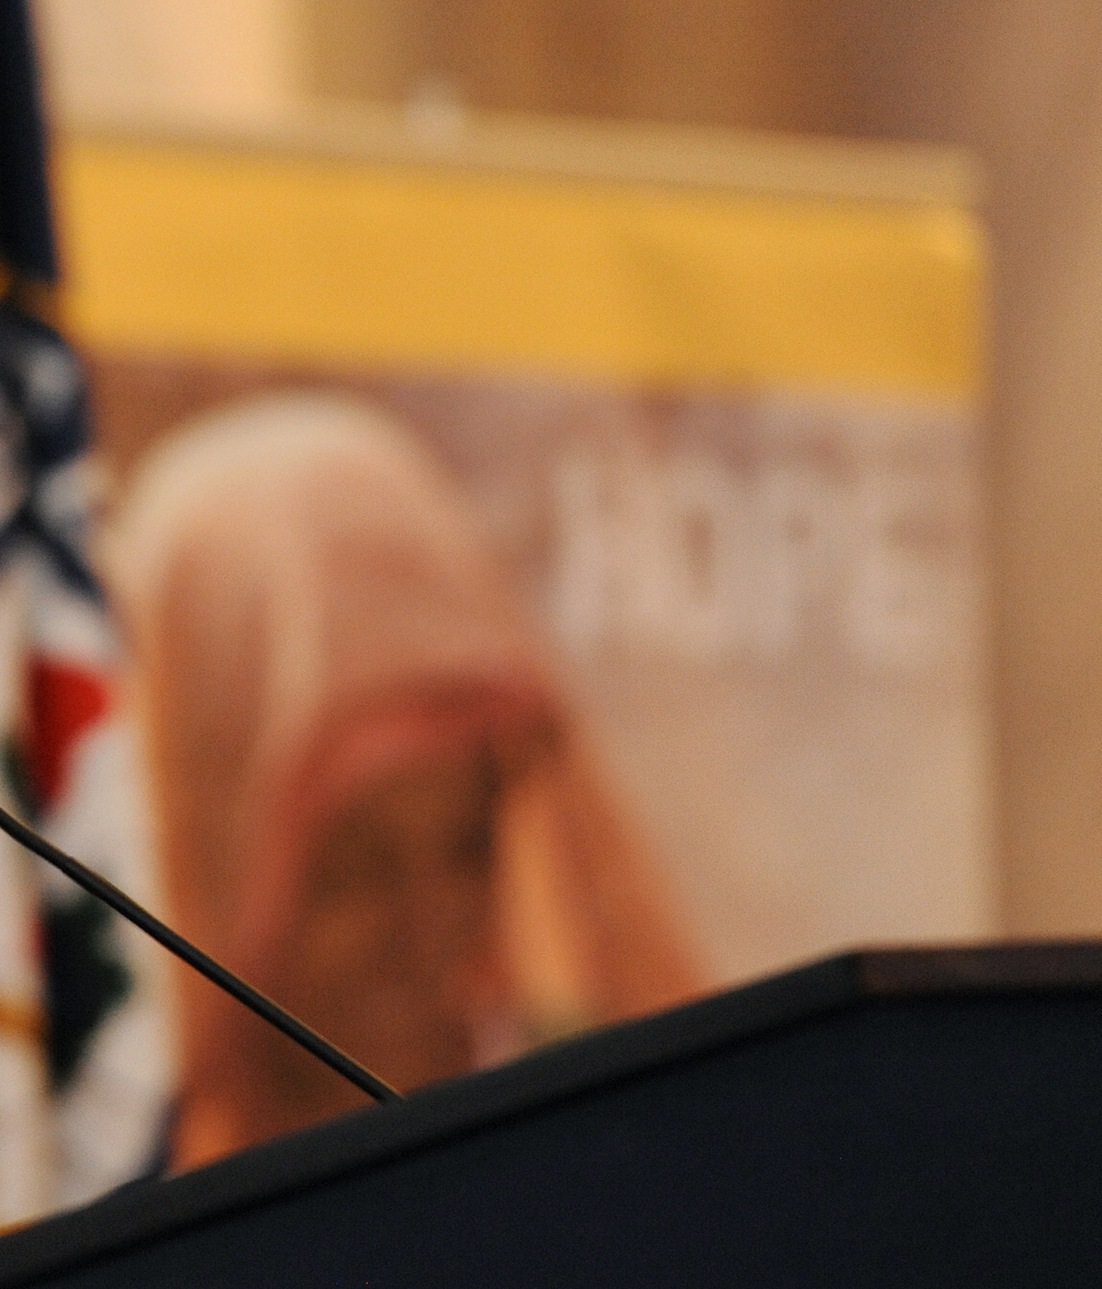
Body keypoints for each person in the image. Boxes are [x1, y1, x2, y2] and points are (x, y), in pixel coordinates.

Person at [105, 394, 700, 1170]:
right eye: (350, 870)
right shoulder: (66, 1196)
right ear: (202, 848)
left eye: (465, 850)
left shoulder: (592, 1163)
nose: (428, 938)